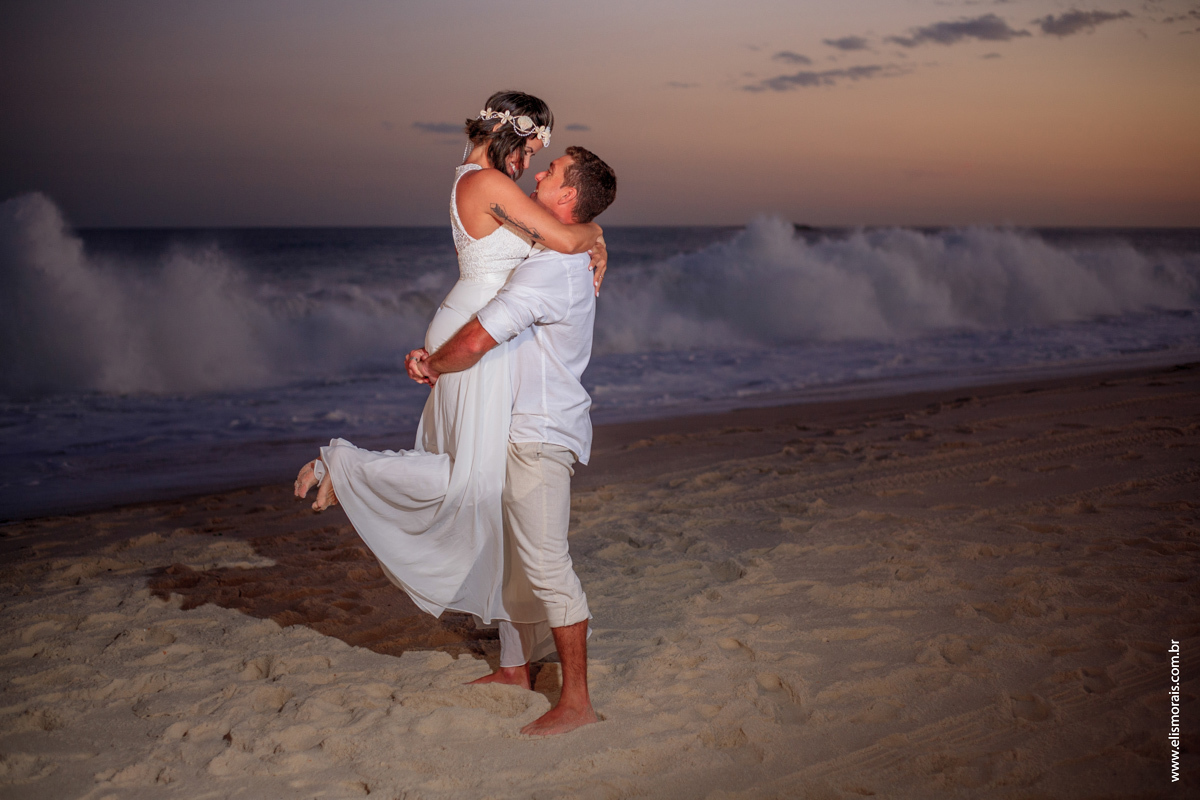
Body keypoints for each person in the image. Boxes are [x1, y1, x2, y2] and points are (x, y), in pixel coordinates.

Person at [293, 91, 604, 684]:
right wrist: (596, 233)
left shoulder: (484, 182)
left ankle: (514, 664)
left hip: (480, 334)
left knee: (493, 496)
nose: (531, 162)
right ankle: (343, 465)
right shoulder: (486, 183)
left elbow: (560, 233)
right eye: (530, 148)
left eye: (540, 157)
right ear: (509, 133)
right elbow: (566, 238)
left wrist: (592, 235)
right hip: (478, 341)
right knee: (469, 481)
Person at [407, 145, 618, 735]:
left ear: (567, 195)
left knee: (548, 566)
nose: (539, 172)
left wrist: (431, 364)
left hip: (539, 433)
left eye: (552, 171)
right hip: (519, 423)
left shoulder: (553, 269)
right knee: (514, 556)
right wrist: (597, 235)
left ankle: (577, 703)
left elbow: (479, 338)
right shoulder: (554, 249)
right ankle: (515, 670)